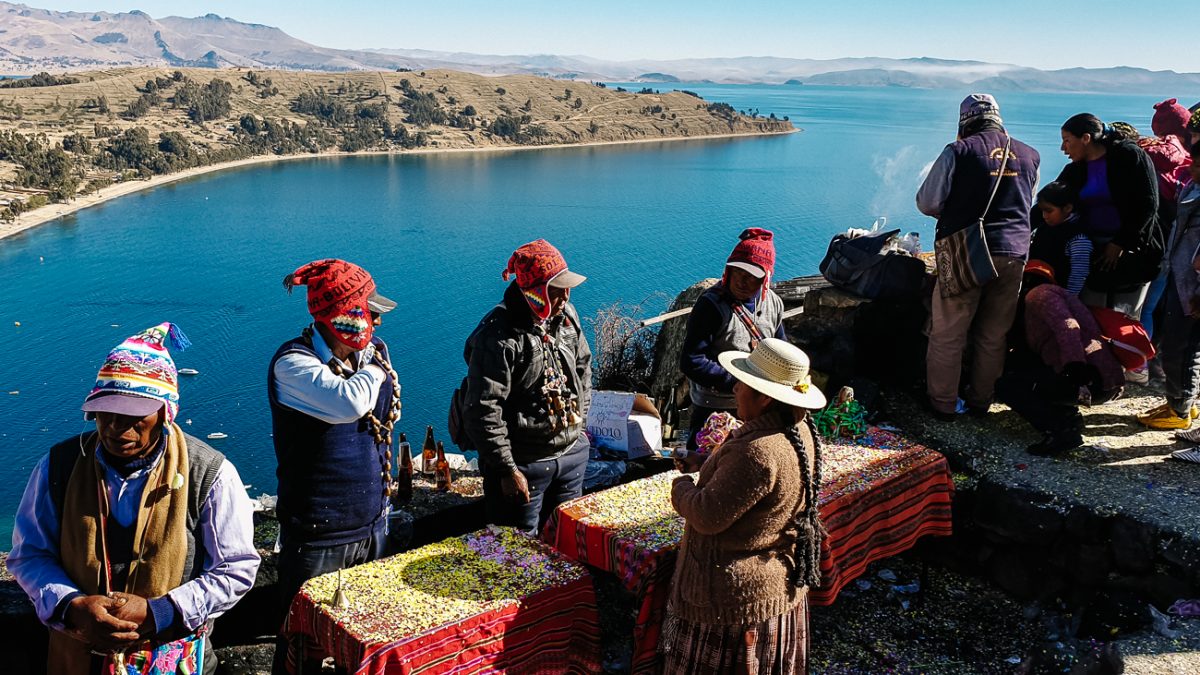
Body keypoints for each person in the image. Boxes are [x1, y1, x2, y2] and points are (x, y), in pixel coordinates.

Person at [8, 323, 260, 675]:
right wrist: (72, 605)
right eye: (106, 412)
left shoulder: (209, 473)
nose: (115, 427)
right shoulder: (59, 467)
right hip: (78, 657)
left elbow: (235, 567)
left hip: (172, 658)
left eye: (133, 416)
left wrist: (161, 612)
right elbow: (30, 554)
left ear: (165, 412)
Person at [661, 337, 827, 675]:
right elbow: (754, 486)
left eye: (744, 383)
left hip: (733, 606)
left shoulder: (756, 451)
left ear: (765, 397)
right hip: (775, 587)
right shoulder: (801, 430)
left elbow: (706, 514)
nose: (735, 387)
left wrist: (681, 487)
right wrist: (707, 462)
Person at [268, 259, 401, 674]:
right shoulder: (293, 364)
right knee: (303, 648)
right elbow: (348, 403)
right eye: (369, 313)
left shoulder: (366, 357)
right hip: (318, 537)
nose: (377, 323)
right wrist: (378, 367)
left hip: (371, 526)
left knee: (363, 640)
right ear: (344, 317)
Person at [917, 93, 1040, 420]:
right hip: (1014, 252)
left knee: (948, 332)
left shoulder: (958, 151)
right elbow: (1027, 201)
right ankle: (980, 401)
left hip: (965, 251)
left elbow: (928, 202)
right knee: (993, 334)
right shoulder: (1030, 155)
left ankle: (943, 404)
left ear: (965, 122)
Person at [462, 239, 592, 533]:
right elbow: (482, 409)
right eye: (557, 289)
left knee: (566, 540)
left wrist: (579, 424)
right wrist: (506, 468)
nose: (567, 295)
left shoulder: (566, 318)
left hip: (571, 454)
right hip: (524, 464)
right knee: (517, 553)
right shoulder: (498, 336)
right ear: (535, 291)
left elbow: (584, 369)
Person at [997, 266, 1125, 455]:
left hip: (1090, 377)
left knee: (1007, 387)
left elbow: (1068, 327)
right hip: (1099, 378)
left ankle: (1061, 431)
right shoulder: (1049, 299)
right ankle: (1070, 418)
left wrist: (1076, 371)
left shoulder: (1040, 295)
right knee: (1028, 375)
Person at [680, 227, 786, 449]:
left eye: (751, 277)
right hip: (715, 408)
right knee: (704, 466)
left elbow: (781, 350)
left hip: (758, 408)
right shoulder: (711, 306)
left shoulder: (773, 304)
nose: (741, 281)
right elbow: (692, 360)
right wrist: (741, 384)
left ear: (765, 279)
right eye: (737, 272)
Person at [1055, 113, 1162, 320]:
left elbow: (1148, 204)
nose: (1063, 148)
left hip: (1134, 252)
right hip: (1094, 253)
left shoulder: (1129, 156)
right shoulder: (1075, 170)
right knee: (1092, 317)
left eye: (1067, 141)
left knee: (1124, 319)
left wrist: (1120, 243)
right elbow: (1053, 200)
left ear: (1086, 138)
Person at [1138, 141, 1200, 434]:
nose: (1192, 169)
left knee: (1183, 347)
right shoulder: (1191, 189)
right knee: (1177, 344)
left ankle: (1180, 410)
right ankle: (1181, 401)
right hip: (1180, 274)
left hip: (1194, 285)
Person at [1030, 181, 1092, 295]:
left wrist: (1068, 299)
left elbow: (1079, 274)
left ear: (1068, 208)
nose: (1044, 216)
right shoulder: (1044, 227)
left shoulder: (1078, 239)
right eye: (1042, 211)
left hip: (1057, 298)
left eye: (1049, 211)